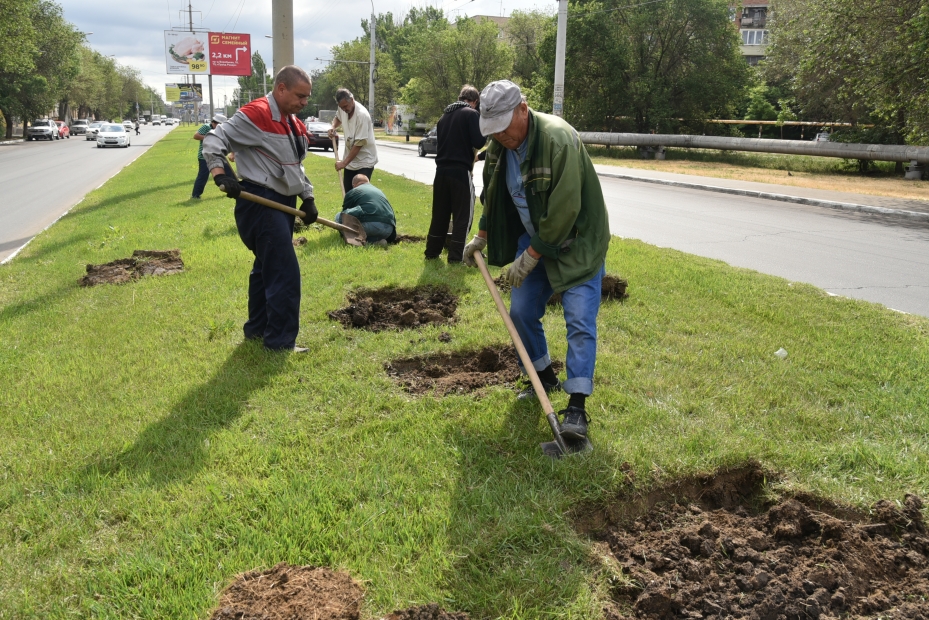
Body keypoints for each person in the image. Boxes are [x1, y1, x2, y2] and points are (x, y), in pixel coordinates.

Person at [463, 80, 610, 442]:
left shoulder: (558, 140)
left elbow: (564, 211)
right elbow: (494, 196)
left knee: (578, 319)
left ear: (523, 109)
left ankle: (576, 408)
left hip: (577, 242)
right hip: (536, 239)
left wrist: (530, 257)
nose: (499, 136)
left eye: (503, 126)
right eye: (492, 130)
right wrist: (482, 234)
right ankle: (542, 376)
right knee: (521, 312)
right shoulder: (499, 148)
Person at [202, 65, 319, 353]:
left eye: (307, 97)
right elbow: (214, 139)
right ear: (281, 88)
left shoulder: (293, 122)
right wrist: (220, 173)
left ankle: (257, 329)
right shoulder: (256, 114)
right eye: (300, 96)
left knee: (265, 268)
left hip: (283, 204)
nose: (305, 102)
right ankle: (279, 342)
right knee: (284, 272)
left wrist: (307, 196)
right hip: (260, 203)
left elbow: (295, 165)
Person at [425, 84, 486, 263]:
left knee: (440, 215)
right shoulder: (471, 114)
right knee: (462, 216)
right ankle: (455, 257)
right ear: (475, 101)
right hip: (460, 171)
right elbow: (479, 140)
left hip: (441, 171)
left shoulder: (444, 117)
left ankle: (432, 252)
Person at [328, 88, 378, 194]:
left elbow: (358, 144)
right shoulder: (342, 107)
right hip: (350, 161)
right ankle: (348, 210)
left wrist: (343, 163)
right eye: (342, 107)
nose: (344, 109)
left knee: (360, 193)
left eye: (345, 106)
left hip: (365, 161)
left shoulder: (362, 115)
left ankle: (361, 210)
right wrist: (333, 127)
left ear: (352, 99)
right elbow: (338, 117)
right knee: (348, 193)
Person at [336, 175, 397, 245]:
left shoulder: (353, 191)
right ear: (368, 182)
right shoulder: (379, 191)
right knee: (371, 234)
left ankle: (359, 242)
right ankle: (375, 242)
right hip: (388, 230)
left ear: (354, 185)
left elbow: (345, 216)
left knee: (338, 216)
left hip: (370, 226)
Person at [190, 114, 232, 200]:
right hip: (205, 157)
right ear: (215, 123)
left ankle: (234, 190)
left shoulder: (220, 130)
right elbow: (196, 136)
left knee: (229, 172)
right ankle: (196, 195)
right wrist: (210, 138)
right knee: (203, 176)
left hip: (219, 155)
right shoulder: (206, 127)